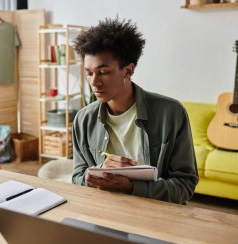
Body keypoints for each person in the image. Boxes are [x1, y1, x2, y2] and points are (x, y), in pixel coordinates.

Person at [71, 18, 198, 204]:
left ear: (128, 71)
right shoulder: (83, 120)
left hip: (155, 217)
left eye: (104, 72)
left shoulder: (171, 114)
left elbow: (184, 186)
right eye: (89, 72)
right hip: (102, 213)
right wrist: (95, 173)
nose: (94, 82)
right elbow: (77, 179)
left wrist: (131, 188)